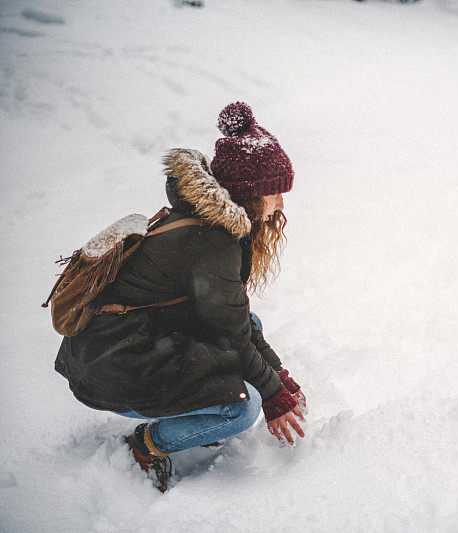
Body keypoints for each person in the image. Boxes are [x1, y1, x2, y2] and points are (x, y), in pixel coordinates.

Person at [54, 102, 306, 492]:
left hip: (116, 346)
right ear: (252, 195)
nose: (281, 204)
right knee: (242, 407)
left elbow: (237, 322)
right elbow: (233, 336)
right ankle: (144, 446)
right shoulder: (213, 244)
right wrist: (273, 394)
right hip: (114, 365)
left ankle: (195, 415)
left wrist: (278, 377)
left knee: (248, 343)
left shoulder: (205, 223)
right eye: (275, 193)